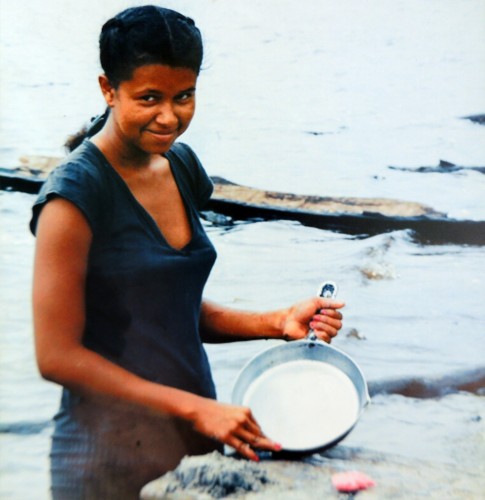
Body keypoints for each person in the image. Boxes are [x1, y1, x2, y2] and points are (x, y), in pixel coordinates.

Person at [30, 5, 344, 499]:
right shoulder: (73, 197)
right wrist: (196, 408)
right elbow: (58, 358)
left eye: (184, 96)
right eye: (149, 98)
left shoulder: (180, 165)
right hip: (103, 461)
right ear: (108, 89)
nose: (169, 117)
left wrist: (277, 321)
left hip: (195, 448)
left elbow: (166, 312)